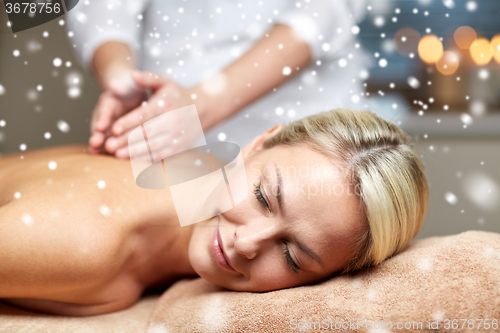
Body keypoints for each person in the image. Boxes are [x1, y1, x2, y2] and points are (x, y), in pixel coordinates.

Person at [0, 109, 428, 316]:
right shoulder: (85, 243)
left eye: (292, 256)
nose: (246, 243)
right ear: (259, 141)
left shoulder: (195, 164)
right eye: (263, 198)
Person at [67, 0, 368, 158]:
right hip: (168, 137)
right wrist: (123, 79)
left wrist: (199, 106)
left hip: (309, 131)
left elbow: (323, 13)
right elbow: (102, 9)